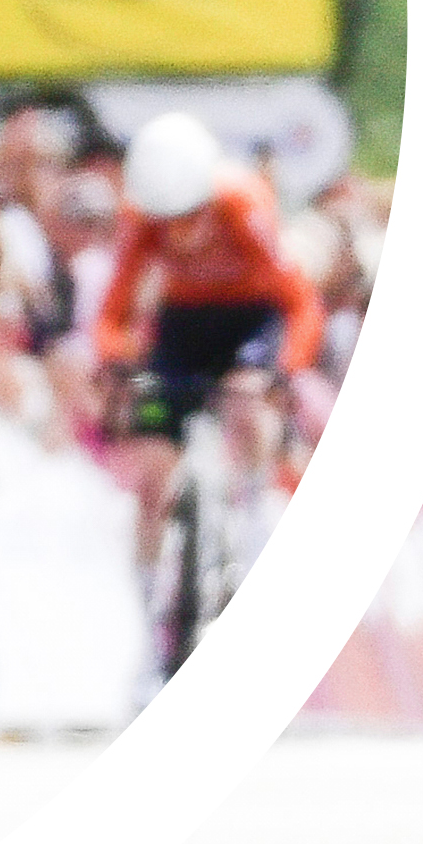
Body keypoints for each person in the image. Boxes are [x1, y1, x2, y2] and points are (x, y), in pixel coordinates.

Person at [92, 111, 321, 638]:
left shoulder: (242, 203)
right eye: (167, 220)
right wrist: (115, 359)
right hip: (183, 325)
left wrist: (282, 370)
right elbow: (114, 307)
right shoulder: (143, 215)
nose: (180, 232)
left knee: (248, 407)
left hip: (251, 319)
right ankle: (148, 612)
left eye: (191, 216)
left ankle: (255, 524)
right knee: (153, 472)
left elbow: (300, 302)